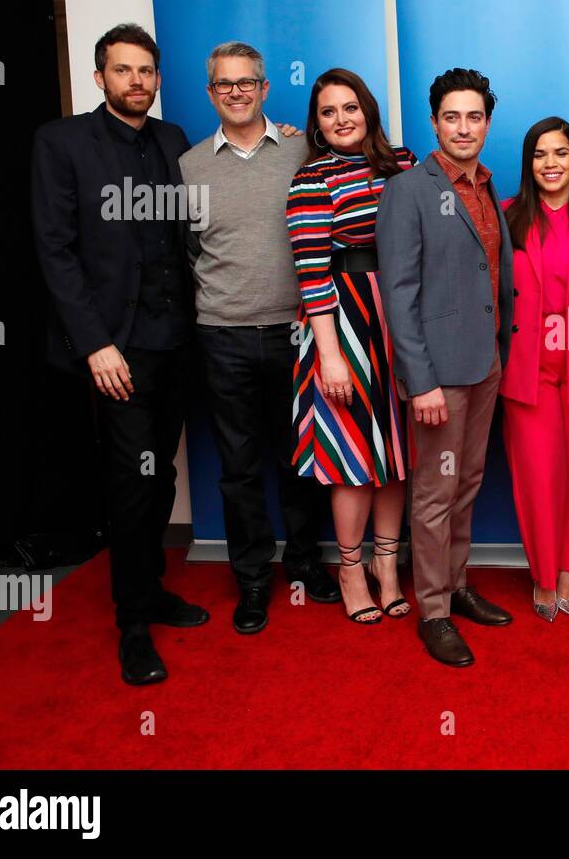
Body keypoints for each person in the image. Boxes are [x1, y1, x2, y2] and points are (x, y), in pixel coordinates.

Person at [32, 23, 209, 686]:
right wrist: (96, 345)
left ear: (158, 80)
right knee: (132, 483)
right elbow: (55, 250)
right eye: (122, 70)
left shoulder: (171, 140)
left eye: (146, 71)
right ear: (99, 77)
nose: (136, 80)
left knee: (159, 474)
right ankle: (132, 622)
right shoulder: (61, 142)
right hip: (117, 351)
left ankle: (152, 589)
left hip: (177, 342)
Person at [179, 41, 338, 635]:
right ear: (211, 92)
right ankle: (251, 579)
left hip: (297, 332)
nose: (237, 92)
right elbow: (192, 251)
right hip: (222, 336)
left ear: (266, 89)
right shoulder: (190, 168)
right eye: (225, 84)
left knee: (299, 458)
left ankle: (305, 564)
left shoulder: (302, 148)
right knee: (239, 465)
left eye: (248, 82)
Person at [376, 68, 515, 667]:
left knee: (467, 485)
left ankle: (456, 586)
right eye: (451, 117)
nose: (464, 127)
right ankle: (433, 610)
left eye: (474, 116)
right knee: (434, 495)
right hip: (439, 375)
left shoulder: (486, 186)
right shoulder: (408, 191)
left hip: (484, 366)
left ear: (487, 122)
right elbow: (399, 293)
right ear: (434, 123)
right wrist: (420, 379)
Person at [286, 68, 415, 625]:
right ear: (317, 125)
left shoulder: (405, 165)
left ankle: (388, 567)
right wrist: (331, 353)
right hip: (340, 321)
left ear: (368, 110)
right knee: (351, 457)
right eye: (328, 112)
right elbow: (311, 270)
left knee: (395, 455)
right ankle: (350, 569)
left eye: (350, 108)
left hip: (401, 315)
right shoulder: (311, 180)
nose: (341, 120)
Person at [500, 117, 569, 622]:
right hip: (526, 371)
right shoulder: (506, 218)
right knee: (538, 476)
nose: (551, 164)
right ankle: (544, 574)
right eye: (540, 155)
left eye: (561, 153)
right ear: (529, 163)